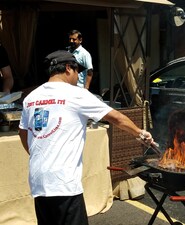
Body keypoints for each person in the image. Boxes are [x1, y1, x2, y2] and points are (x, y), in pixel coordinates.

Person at [18, 50, 154, 225]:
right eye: (77, 71)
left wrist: (41, 154)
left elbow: (23, 133)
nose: (78, 76)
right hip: (64, 184)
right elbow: (117, 118)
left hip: (38, 182)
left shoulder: (31, 98)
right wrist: (141, 133)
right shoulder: (76, 94)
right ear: (68, 68)